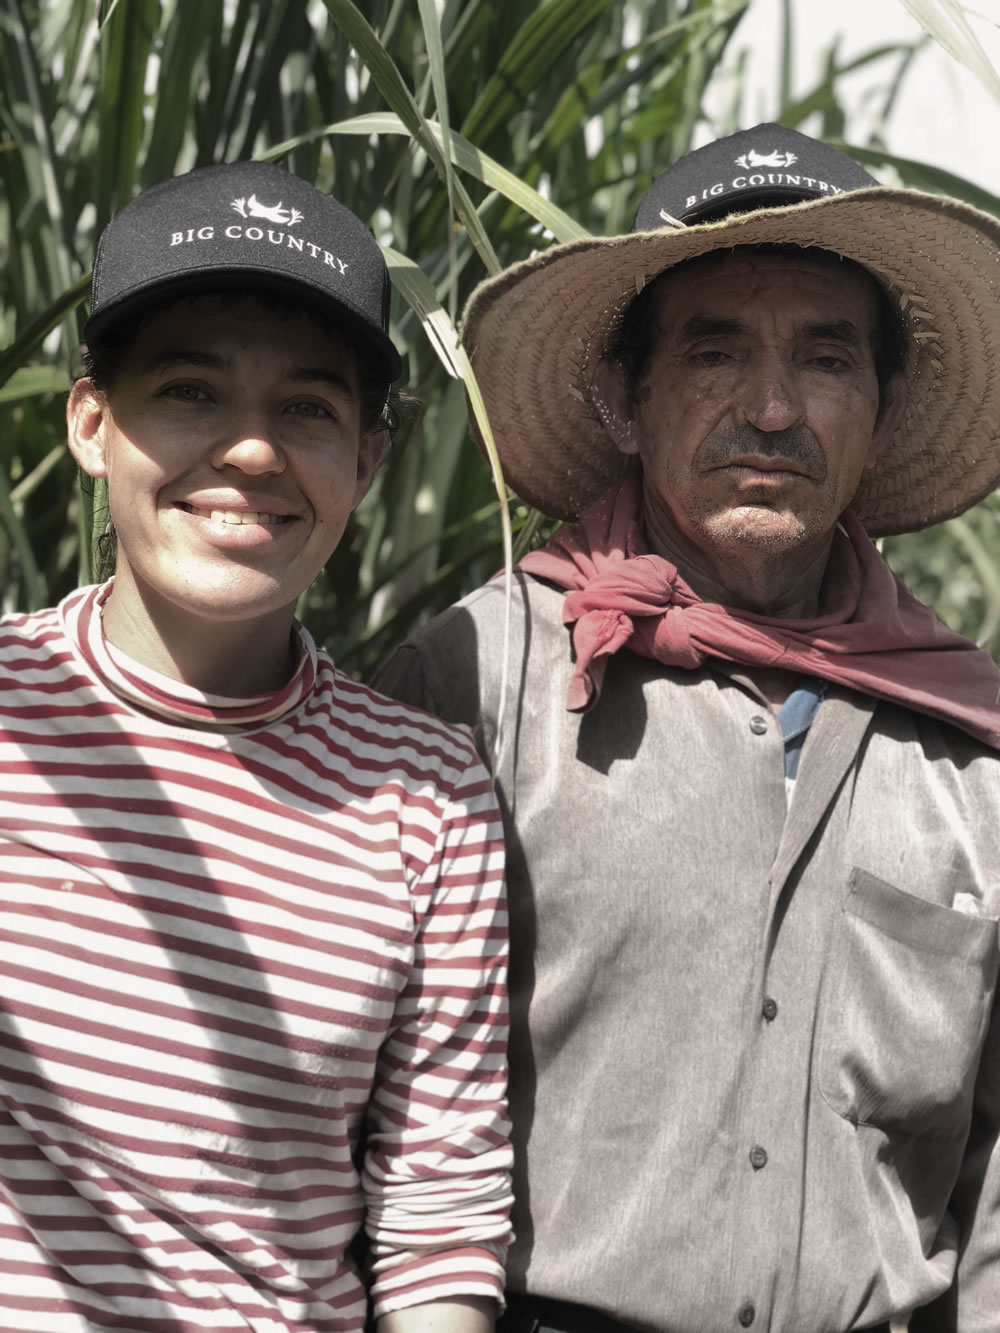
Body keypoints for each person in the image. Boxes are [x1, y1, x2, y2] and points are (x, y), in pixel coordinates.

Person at [374, 125, 1000, 1333]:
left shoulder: (967, 748)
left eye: (824, 360)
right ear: (625, 395)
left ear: (881, 406)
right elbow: (369, 1109)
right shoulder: (481, 683)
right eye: (715, 351)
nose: (769, 409)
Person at [0, 161, 512, 1332]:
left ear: (368, 461)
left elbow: (440, 1217)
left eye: (309, 409)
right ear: (93, 423)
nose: (250, 451)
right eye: (188, 390)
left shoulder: (427, 797)